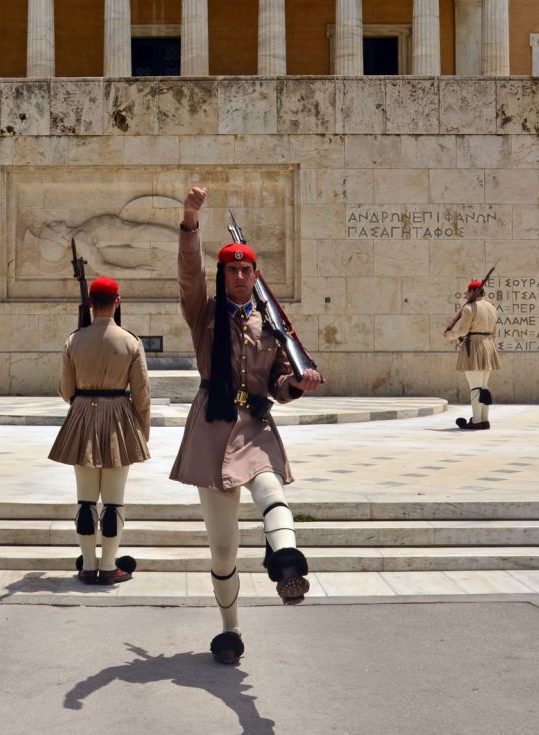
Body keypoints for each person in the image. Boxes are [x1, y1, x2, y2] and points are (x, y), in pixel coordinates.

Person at [171, 186, 323, 666]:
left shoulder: (271, 325)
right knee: (222, 550)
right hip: (213, 426)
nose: (238, 275)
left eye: (245, 269)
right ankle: (230, 630)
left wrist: (297, 382)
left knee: (270, 488)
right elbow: (188, 275)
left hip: (255, 424)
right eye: (231, 269)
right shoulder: (205, 313)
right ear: (224, 273)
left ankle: (286, 560)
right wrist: (190, 221)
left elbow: (277, 383)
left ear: (256, 276)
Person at [48, 276, 151, 586]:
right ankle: (108, 566)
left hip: (82, 417)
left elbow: (66, 390)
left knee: (86, 500)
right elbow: (142, 394)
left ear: (90, 304)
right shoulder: (131, 342)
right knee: (114, 501)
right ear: (117, 302)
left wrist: (81, 404)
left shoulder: (73, 340)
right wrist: (142, 433)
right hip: (119, 416)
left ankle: (88, 565)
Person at [443, 279, 501, 430]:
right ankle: (484, 420)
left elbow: (463, 331)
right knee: (484, 386)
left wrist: (450, 335)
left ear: (472, 292)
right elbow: (494, 332)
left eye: (467, 292)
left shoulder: (469, 308)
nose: (466, 295)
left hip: (474, 347)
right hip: (488, 345)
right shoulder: (491, 307)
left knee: (475, 387)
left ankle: (476, 421)